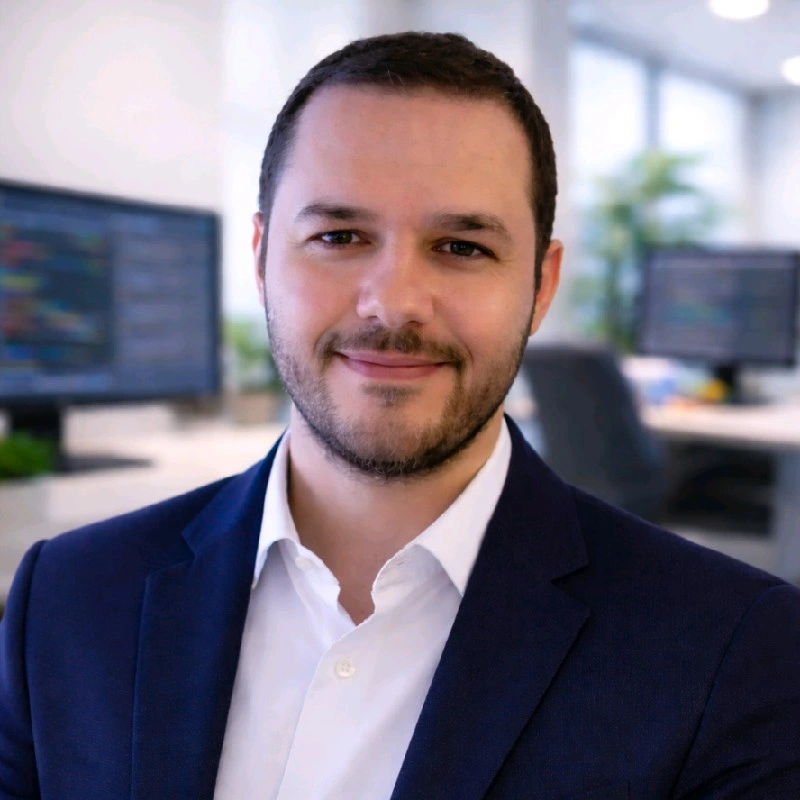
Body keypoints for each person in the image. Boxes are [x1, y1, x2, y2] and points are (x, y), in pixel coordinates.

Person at [1, 30, 799, 800]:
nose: (394, 304)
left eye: (461, 247)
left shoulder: (733, 650)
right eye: (339, 234)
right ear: (260, 258)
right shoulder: (66, 601)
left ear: (541, 286)